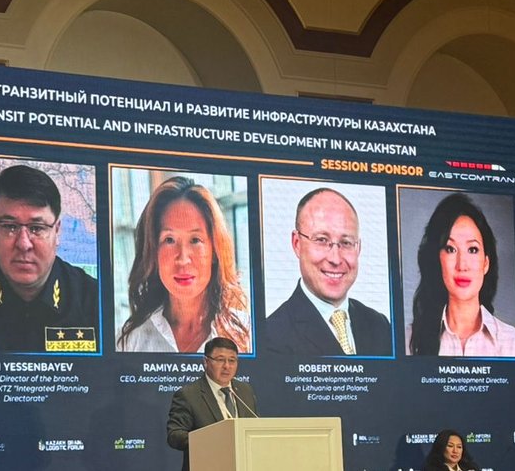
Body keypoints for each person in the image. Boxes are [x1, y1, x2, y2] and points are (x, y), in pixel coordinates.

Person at [0, 164, 98, 352]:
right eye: (9, 226)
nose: (24, 244)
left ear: (57, 231)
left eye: (37, 228)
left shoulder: (93, 301)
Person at [117, 177, 251, 352]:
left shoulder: (247, 335)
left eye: (195, 240)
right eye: (169, 240)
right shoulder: (130, 341)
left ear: (215, 251)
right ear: (153, 251)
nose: (183, 259)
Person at [263, 187, 391, 356]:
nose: (335, 259)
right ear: (297, 244)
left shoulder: (380, 326)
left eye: (346, 243)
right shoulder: (271, 336)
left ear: (358, 248)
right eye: (322, 240)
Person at [409, 193, 515, 356]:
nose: (462, 265)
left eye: (472, 250)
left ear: (486, 263)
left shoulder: (512, 342)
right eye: (450, 249)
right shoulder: (409, 340)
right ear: (437, 260)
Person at [166, 337, 257, 471]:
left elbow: (253, 428)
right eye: (220, 360)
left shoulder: (245, 390)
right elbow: (175, 435)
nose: (227, 366)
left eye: (232, 360)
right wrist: (209, 440)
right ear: (206, 362)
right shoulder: (189, 395)